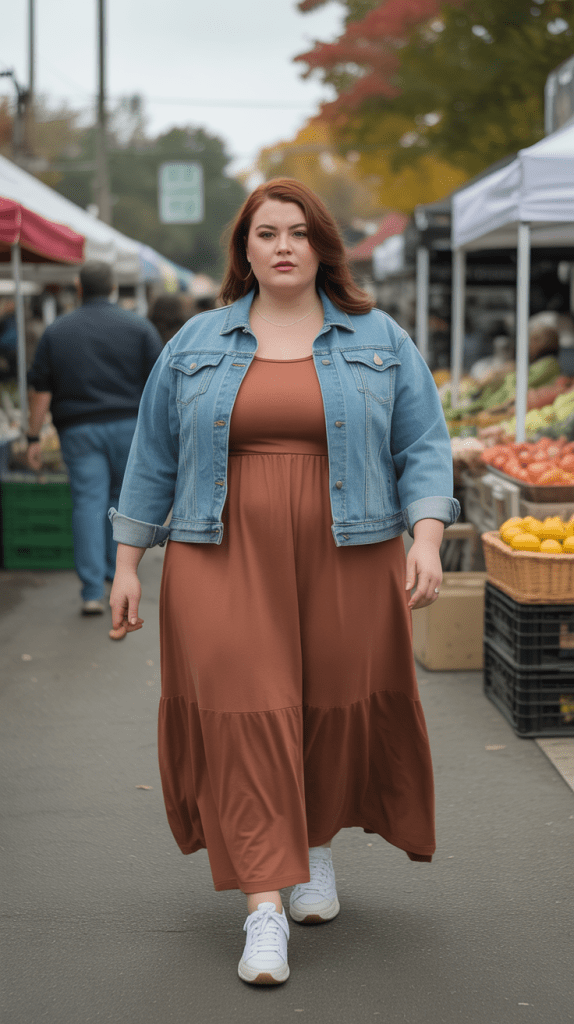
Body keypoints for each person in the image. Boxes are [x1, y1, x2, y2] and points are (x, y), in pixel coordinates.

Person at [109, 179, 460, 985]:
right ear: (245, 249)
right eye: (266, 232)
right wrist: (128, 564)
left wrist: (429, 538)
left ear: (322, 245)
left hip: (351, 547)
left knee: (331, 707)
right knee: (245, 713)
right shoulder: (194, 342)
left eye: (299, 232)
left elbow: (424, 446)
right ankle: (263, 909)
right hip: (219, 551)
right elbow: (151, 458)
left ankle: (312, 843)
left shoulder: (380, 337)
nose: (283, 246)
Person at [26, 261, 163, 615]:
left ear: (79, 288)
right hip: (129, 426)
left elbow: (40, 388)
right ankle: (113, 571)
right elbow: (162, 383)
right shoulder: (139, 327)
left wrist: (33, 436)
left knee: (88, 502)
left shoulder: (57, 331)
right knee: (121, 500)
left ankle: (90, 591)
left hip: (78, 429)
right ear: (114, 287)